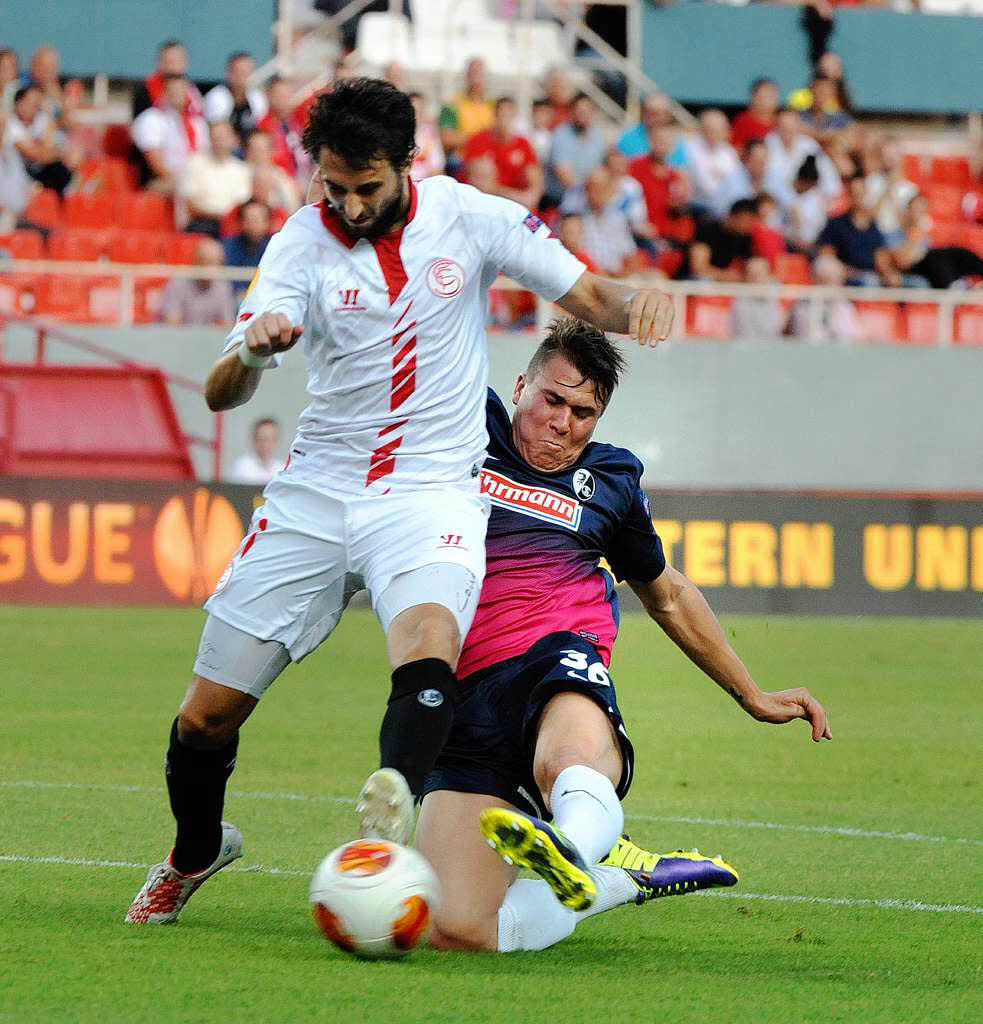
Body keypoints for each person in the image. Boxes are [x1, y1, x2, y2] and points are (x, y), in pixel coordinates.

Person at [124, 77, 675, 926]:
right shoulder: (296, 248)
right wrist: (258, 352)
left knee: (427, 646)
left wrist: (644, 302)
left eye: (366, 188)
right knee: (203, 721)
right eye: (333, 187)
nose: (348, 206)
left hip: (428, 491)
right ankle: (195, 849)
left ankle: (387, 826)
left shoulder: (473, 218)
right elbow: (219, 392)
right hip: (315, 494)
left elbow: (591, 297)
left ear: (407, 165)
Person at [415, 320, 831, 953]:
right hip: (462, 692)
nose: (563, 423)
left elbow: (666, 593)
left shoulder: (610, 480)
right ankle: (620, 878)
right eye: (552, 400)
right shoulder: (464, 427)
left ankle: (573, 840)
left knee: (568, 756)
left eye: (584, 412)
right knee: (459, 930)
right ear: (521, 385)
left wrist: (750, 693)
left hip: (556, 659)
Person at [462, 96, 542, 212]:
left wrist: (531, 196)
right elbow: (481, 184)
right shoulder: (478, 141)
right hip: (488, 204)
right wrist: (514, 196)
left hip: (515, 204)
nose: (505, 120)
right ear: (494, 116)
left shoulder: (523, 144)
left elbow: (535, 179)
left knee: (534, 221)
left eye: (509, 115)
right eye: (502, 115)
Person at [131, 73, 208, 193]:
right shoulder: (152, 119)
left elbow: (206, 154)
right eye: (172, 90)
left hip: (197, 178)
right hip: (162, 182)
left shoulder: (197, 122)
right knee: (191, 188)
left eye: (181, 90)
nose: (177, 94)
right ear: (164, 93)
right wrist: (187, 180)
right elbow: (158, 166)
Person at [889, 193, 983, 290]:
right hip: (914, 269)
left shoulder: (925, 233)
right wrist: (915, 235)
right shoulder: (896, 233)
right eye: (916, 209)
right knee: (933, 255)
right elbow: (902, 262)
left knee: (959, 252)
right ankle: (953, 285)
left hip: (933, 267)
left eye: (922, 210)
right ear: (908, 210)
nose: (918, 213)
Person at [815, 174, 895, 287]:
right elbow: (826, 256)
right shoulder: (836, 224)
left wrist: (889, 274)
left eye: (861, 193)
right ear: (849, 195)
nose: (858, 197)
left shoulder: (873, 227)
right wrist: (847, 271)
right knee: (869, 282)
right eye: (855, 193)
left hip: (871, 276)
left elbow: (880, 258)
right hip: (845, 279)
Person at [178, 121, 252, 236]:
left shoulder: (242, 169)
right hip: (202, 224)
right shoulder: (194, 163)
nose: (219, 142)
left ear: (233, 140)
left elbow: (242, 204)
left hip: (234, 226)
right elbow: (191, 205)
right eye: (215, 137)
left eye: (223, 137)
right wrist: (222, 216)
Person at [546, 93, 606, 208]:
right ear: (572, 112)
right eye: (579, 111)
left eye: (586, 111)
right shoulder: (561, 135)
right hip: (562, 198)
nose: (583, 115)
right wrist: (588, 193)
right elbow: (564, 175)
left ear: (593, 112)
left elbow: (599, 171)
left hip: (588, 195)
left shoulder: (598, 136)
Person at [158, 237, 236, 326]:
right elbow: (171, 323)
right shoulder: (178, 282)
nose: (210, 268)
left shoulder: (223, 286)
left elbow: (228, 325)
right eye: (206, 262)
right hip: (180, 337)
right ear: (196, 261)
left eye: (216, 263)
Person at [438, 58, 494, 178]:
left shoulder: (493, 106)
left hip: (488, 162)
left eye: (480, 73)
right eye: (473, 73)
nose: (476, 78)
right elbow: (446, 138)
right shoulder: (452, 105)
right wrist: (480, 137)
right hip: (461, 161)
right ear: (466, 76)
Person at [204, 52, 268, 146]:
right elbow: (217, 132)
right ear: (229, 73)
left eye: (248, 71)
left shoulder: (258, 97)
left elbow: (261, 128)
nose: (243, 76)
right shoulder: (217, 96)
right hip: (223, 149)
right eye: (239, 71)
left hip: (249, 150)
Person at [684, 109, 741, 215]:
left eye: (719, 130)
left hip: (725, 208)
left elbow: (735, 182)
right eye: (710, 129)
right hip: (697, 207)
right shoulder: (689, 149)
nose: (714, 134)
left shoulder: (729, 152)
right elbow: (704, 186)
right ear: (701, 128)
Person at [685, 198, 757, 282]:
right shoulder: (707, 230)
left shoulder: (744, 236)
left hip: (721, 281)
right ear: (732, 216)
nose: (748, 225)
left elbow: (752, 264)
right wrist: (728, 276)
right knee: (703, 280)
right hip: (693, 280)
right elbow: (698, 268)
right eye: (746, 220)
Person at [132, 39, 204, 120]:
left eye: (180, 60)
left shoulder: (193, 91)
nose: (176, 66)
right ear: (160, 63)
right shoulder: (146, 91)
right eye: (171, 61)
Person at [223, 200, 273, 295]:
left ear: (266, 222)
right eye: (248, 220)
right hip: (237, 297)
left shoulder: (275, 247)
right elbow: (228, 278)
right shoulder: (230, 247)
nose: (252, 225)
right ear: (242, 222)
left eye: (257, 220)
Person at [730, 78, 780, 151]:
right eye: (766, 96)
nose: (770, 100)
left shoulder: (781, 121)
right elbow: (735, 150)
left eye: (773, 95)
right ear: (754, 98)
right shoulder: (743, 121)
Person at [231, 417, 282, 484]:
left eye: (271, 440)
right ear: (254, 440)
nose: (266, 445)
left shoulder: (282, 469)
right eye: (262, 439)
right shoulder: (242, 466)